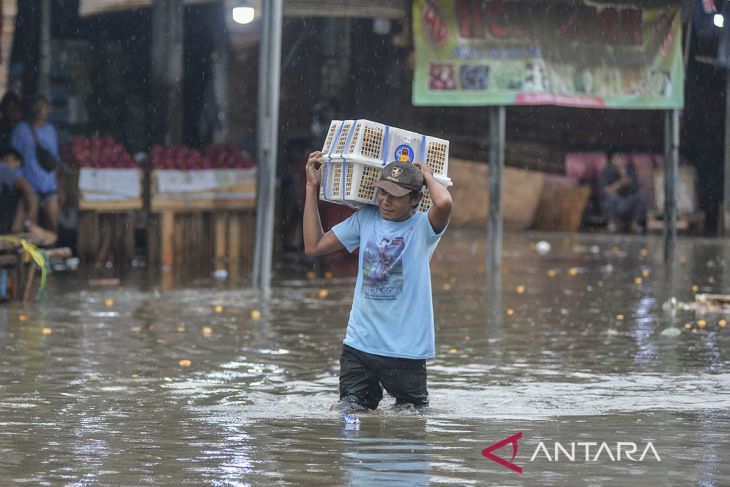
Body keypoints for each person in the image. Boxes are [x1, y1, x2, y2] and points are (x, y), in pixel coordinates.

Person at [303, 153, 453, 411]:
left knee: (411, 418)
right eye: (382, 192)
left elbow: (444, 202)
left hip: (405, 352)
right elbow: (314, 245)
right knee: (348, 413)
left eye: (395, 195)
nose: (385, 200)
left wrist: (427, 175)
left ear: (416, 199)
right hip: (359, 345)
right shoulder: (366, 218)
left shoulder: (423, 228)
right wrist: (311, 188)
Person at [11, 94, 62, 233]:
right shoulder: (21, 130)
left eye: (44, 107)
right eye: (37, 106)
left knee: (53, 229)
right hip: (29, 188)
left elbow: (54, 162)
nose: (40, 110)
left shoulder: (51, 131)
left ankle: (51, 255)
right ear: (31, 108)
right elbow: (12, 161)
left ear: (49, 109)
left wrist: (59, 187)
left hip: (49, 187)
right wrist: (21, 184)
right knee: (29, 230)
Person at [599, 151, 646, 234]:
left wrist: (624, 175)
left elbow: (635, 188)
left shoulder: (630, 169)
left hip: (628, 201)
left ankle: (635, 224)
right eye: (616, 159)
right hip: (615, 202)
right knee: (610, 196)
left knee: (641, 195)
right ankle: (612, 223)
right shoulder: (607, 171)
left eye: (621, 158)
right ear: (612, 160)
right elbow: (605, 190)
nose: (619, 161)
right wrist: (620, 183)